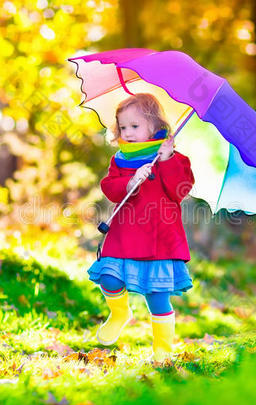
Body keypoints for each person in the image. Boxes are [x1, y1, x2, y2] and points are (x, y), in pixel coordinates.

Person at [87, 93, 195, 363]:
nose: (128, 132)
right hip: (125, 235)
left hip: (160, 239)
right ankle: (120, 313)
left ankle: (162, 351)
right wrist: (131, 180)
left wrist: (168, 160)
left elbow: (179, 189)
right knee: (109, 278)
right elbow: (110, 188)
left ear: (155, 126)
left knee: (157, 297)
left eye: (135, 126)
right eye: (123, 127)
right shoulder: (121, 160)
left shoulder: (174, 158)